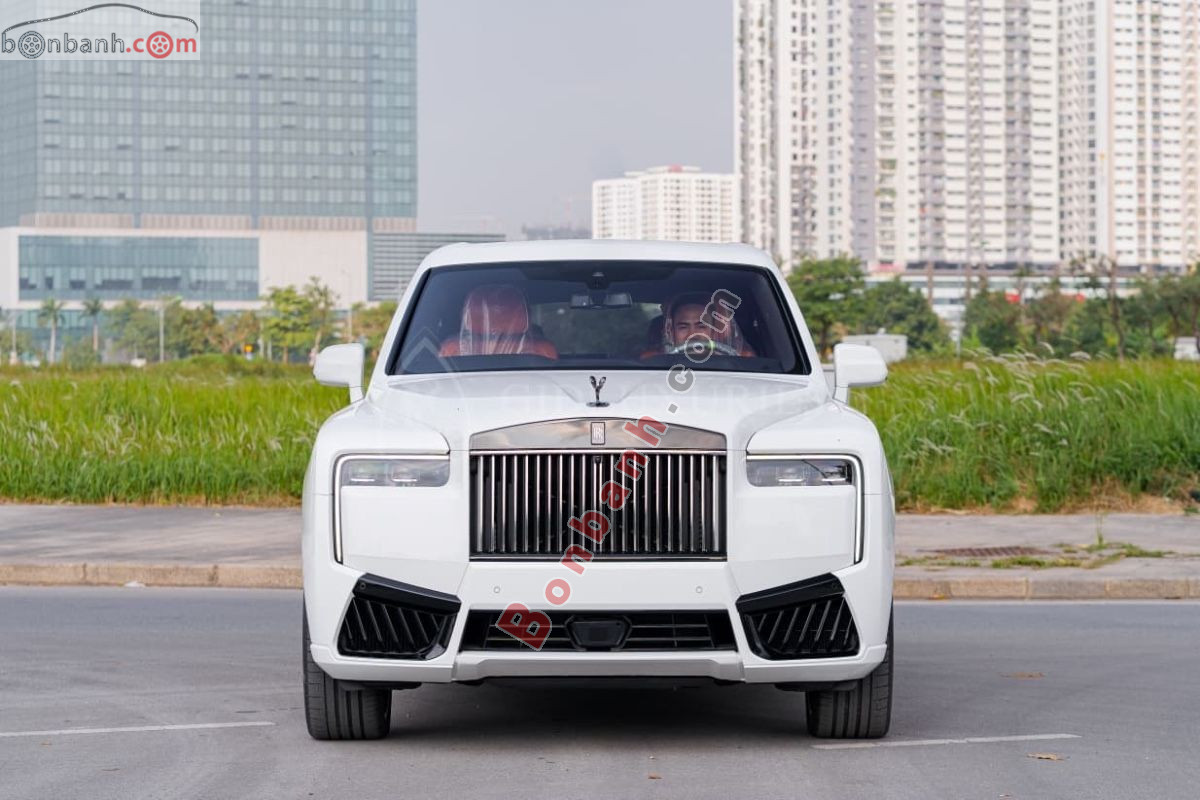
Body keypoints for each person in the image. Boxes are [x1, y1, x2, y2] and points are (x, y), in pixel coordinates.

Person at [642, 292, 754, 358]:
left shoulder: (741, 358)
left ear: (714, 330)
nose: (692, 335)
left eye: (701, 326)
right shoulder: (653, 359)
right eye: (683, 327)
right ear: (671, 331)